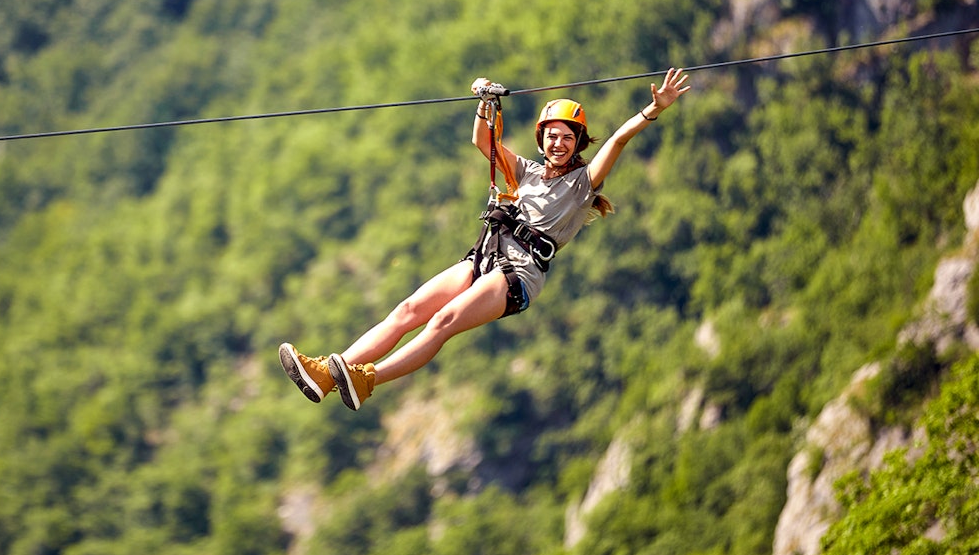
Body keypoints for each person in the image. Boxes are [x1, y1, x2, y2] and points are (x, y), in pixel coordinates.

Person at [280, 67, 691, 410]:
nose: (559, 142)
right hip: (486, 256)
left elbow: (618, 140)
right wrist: (486, 105)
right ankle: (325, 376)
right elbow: (483, 141)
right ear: (541, 138)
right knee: (407, 310)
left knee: (441, 322)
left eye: (568, 137)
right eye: (552, 135)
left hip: (520, 272)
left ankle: (367, 380)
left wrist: (653, 109)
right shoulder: (526, 171)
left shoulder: (583, 183)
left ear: (579, 143)